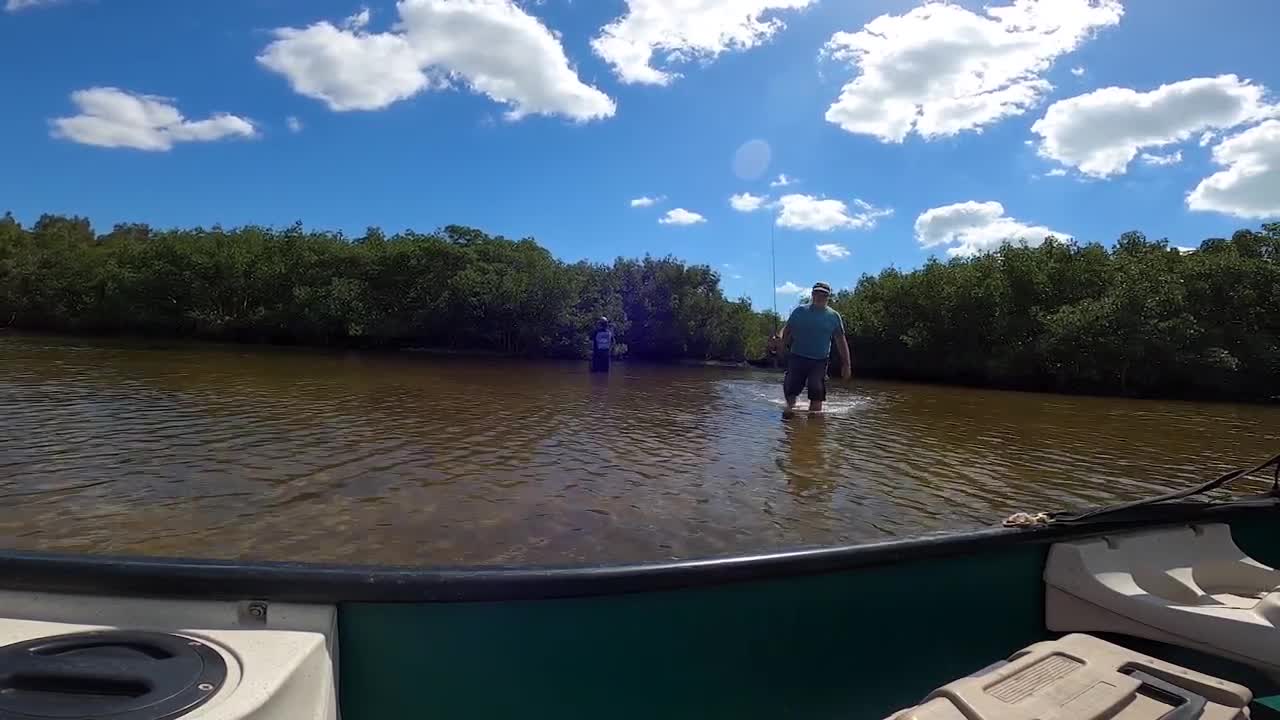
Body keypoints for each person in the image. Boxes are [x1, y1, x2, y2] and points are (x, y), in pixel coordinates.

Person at [779, 282, 851, 415]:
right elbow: (787, 329)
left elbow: (841, 341)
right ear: (812, 294)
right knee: (790, 389)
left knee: (816, 389)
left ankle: (815, 425)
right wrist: (780, 340)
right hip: (797, 356)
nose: (819, 296)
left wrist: (846, 364)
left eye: (823, 294)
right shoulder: (800, 311)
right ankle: (791, 421)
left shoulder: (834, 316)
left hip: (820, 360)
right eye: (816, 293)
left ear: (828, 296)